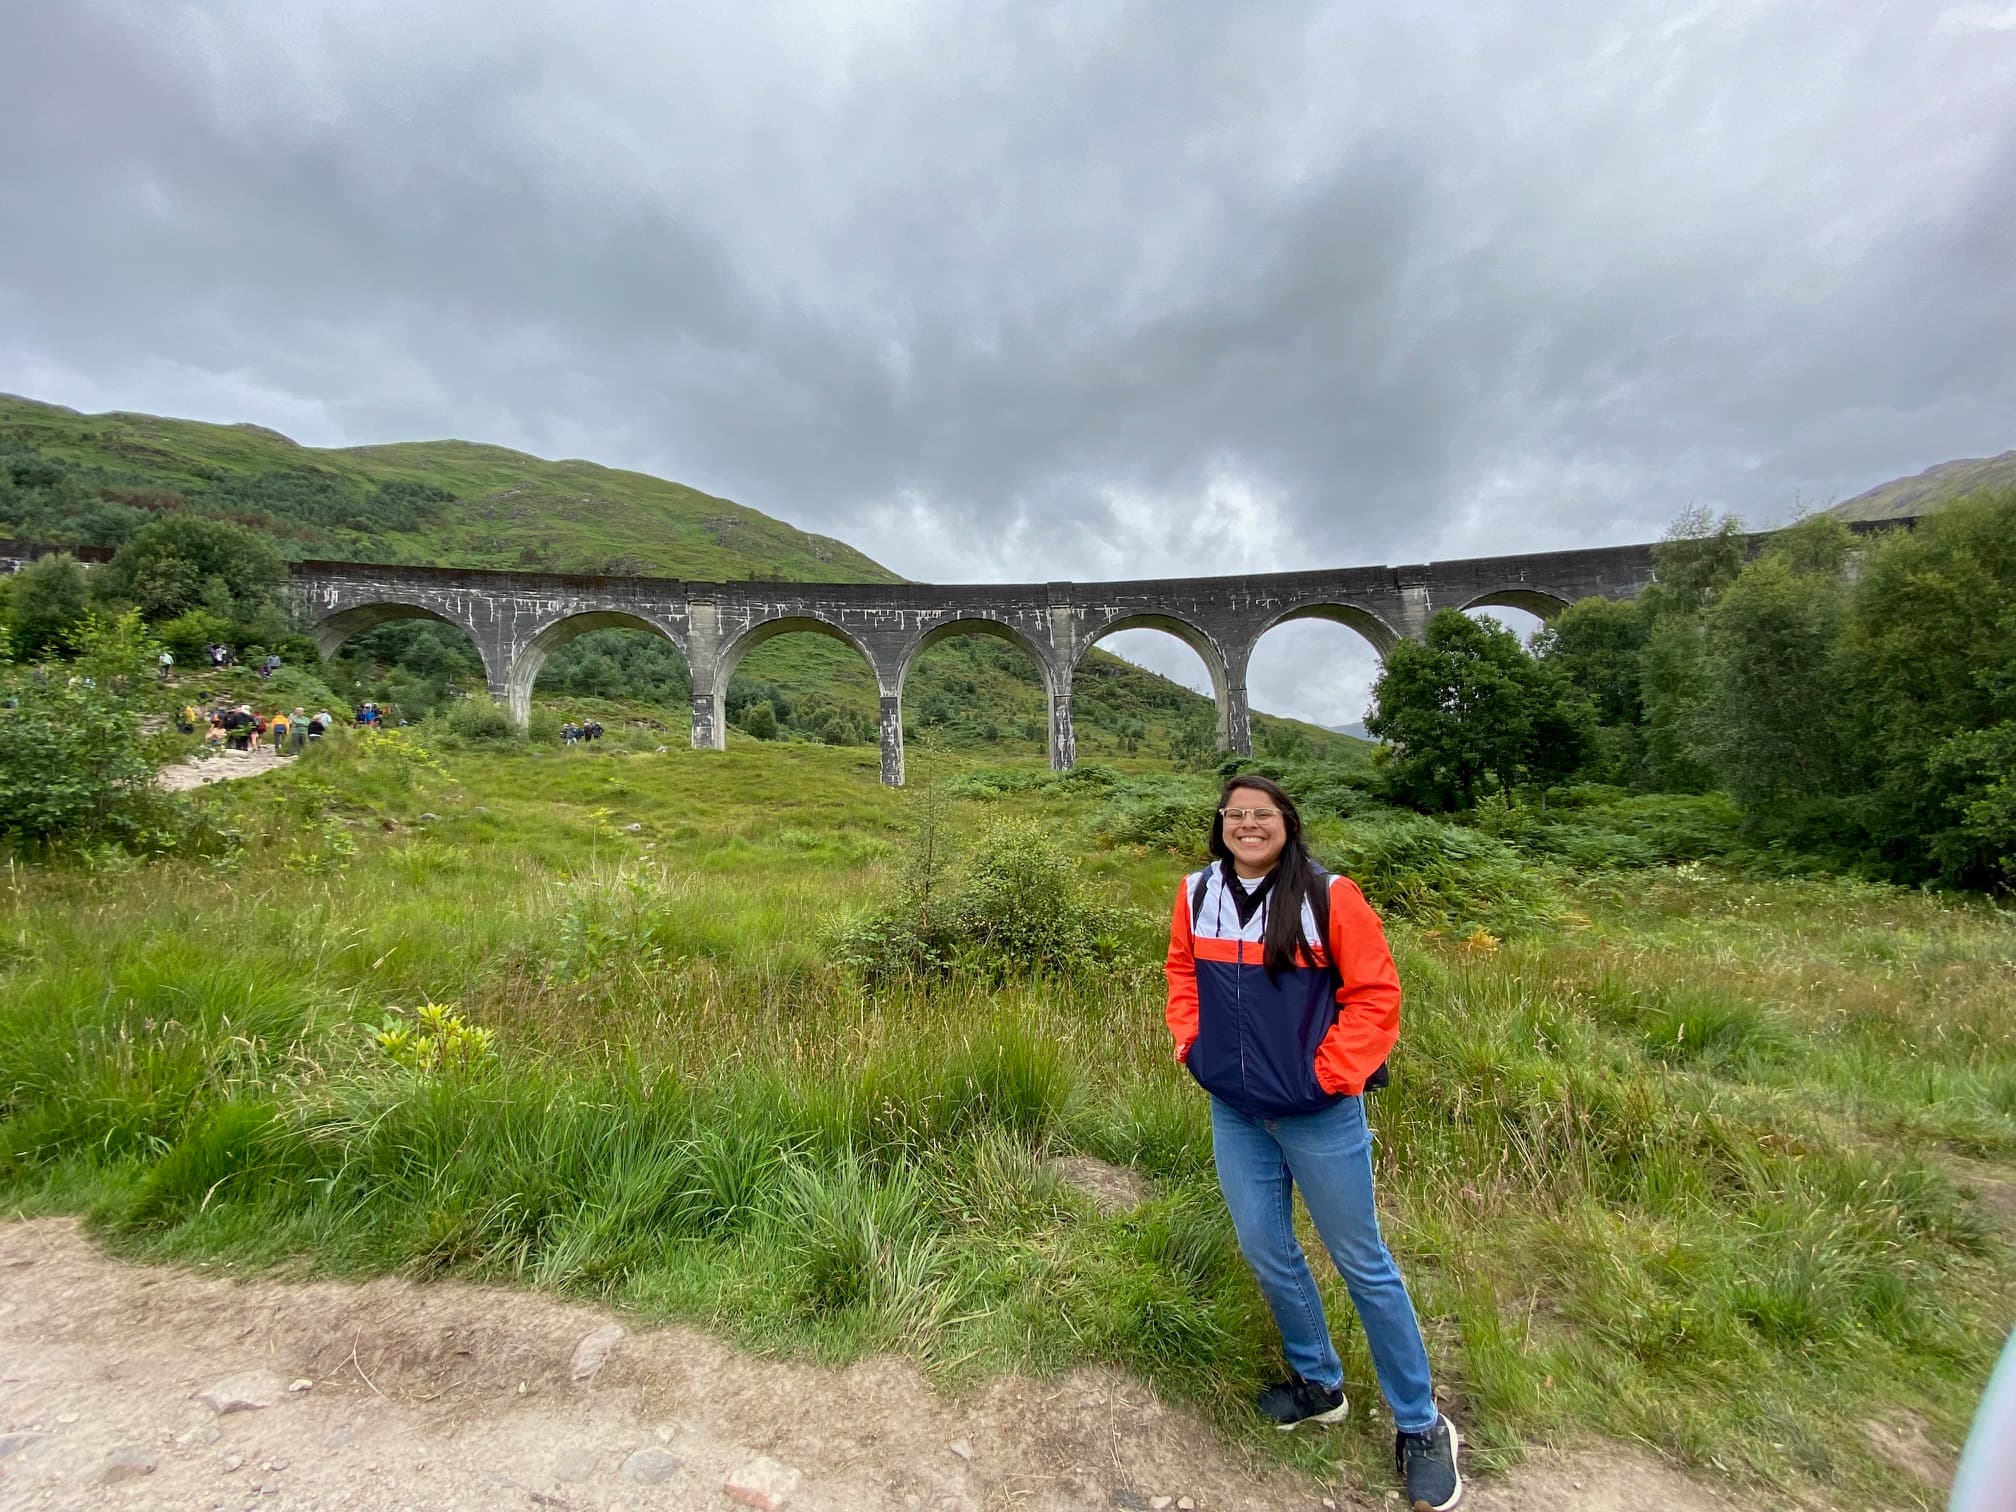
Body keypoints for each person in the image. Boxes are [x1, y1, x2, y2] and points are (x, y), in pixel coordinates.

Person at [1165, 775, 1461, 1511]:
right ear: (1221, 824)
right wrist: (1190, 1043)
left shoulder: (1330, 896)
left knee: (1362, 1261)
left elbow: (1376, 995)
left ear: (1287, 823)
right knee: (1266, 1247)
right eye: (1236, 814)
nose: (1248, 825)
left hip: (1318, 1113)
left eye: (1262, 814)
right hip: (1236, 1110)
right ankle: (1319, 1383)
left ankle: (1421, 1424)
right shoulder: (1196, 891)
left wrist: (1331, 1074)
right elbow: (1180, 971)